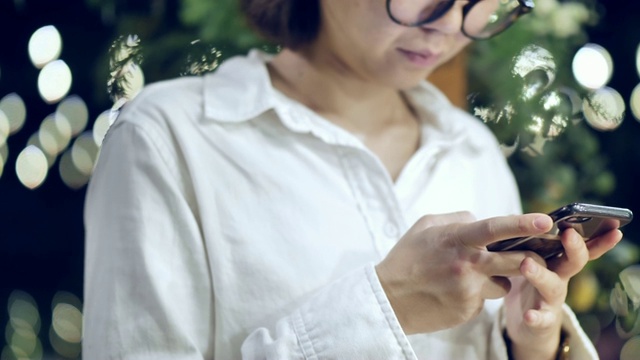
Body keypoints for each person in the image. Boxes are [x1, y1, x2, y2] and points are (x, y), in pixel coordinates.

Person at [83, 0, 622, 359]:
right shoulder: (170, 137)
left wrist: (531, 339)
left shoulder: (471, 150)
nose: (449, 25)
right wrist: (387, 305)